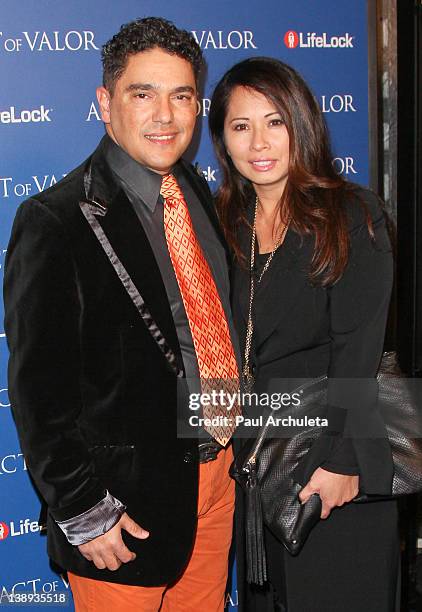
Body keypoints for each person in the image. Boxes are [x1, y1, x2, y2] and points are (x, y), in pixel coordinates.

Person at [3, 17, 241, 612]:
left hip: (217, 482)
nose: (165, 114)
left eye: (181, 95)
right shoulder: (55, 219)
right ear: (106, 103)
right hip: (124, 510)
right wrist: (84, 510)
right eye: (144, 94)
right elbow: (38, 392)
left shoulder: (193, 189)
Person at [209, 57, 400, 612]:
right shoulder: (227, 224)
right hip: (256, 466)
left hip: (330, 466)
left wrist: (340, 461)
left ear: (303, 125)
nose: (259, 142)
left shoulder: (351, 214)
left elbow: (358, 352)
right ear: (221, 138)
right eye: (240, 126)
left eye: (276, 121)